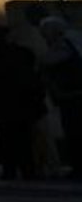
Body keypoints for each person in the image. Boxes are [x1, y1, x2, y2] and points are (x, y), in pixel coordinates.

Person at [0, 26, 48, 180]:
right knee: (23, 139)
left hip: (4, 104)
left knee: (8, 139)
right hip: (20, 103)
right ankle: (27, 170)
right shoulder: (19, 54)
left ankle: (12, 170)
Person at [38, 17, 82, 179]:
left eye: (45, 34)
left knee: (74, 133)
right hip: (70, 96)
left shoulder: (63, 45)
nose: (44, 37)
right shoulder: (72, 42)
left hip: (72, 96)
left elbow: (47, 61)